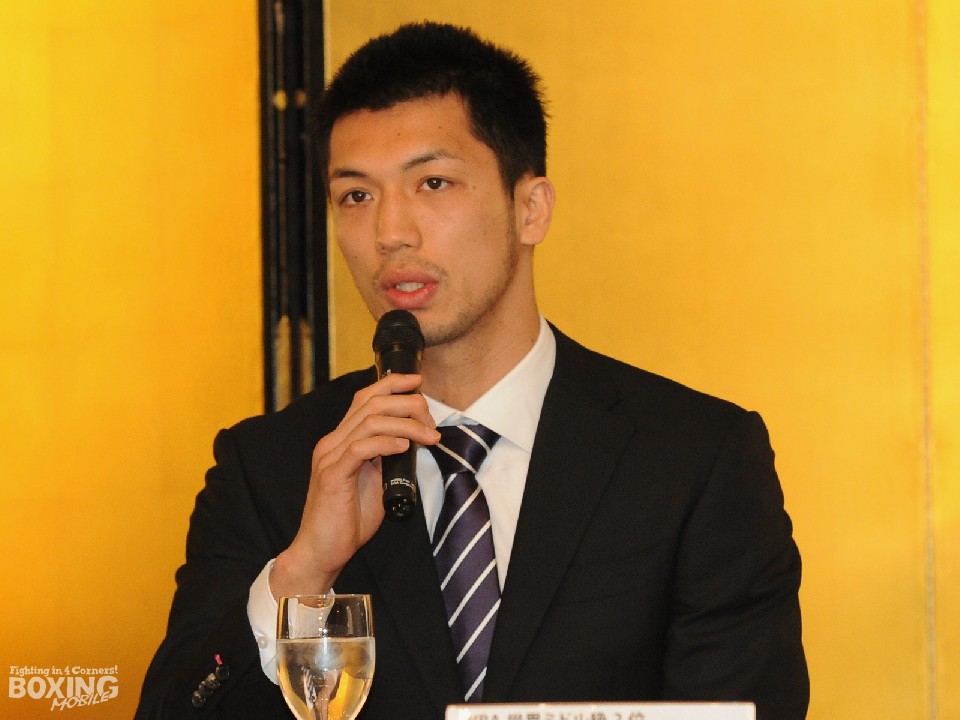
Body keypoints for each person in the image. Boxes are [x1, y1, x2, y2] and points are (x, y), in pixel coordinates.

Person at [135, 21, 809, 720]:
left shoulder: (694, 460)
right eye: (356, 196)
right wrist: (304, 571)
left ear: (530, 209)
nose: (391, 233)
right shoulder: (270, 469)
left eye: (433, 183)